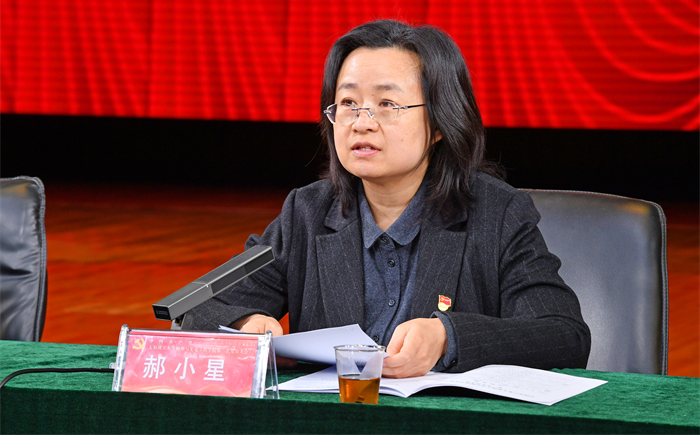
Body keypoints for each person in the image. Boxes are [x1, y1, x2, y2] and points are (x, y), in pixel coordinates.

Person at [187, 20, 591, 378]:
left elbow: (564, 335)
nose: (362, 123)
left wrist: (448, 337)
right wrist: (243, 323)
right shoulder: (306, 213)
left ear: (439, 122)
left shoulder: (496, 214)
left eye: (386, 105)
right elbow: (192, 306)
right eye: (348, 104)